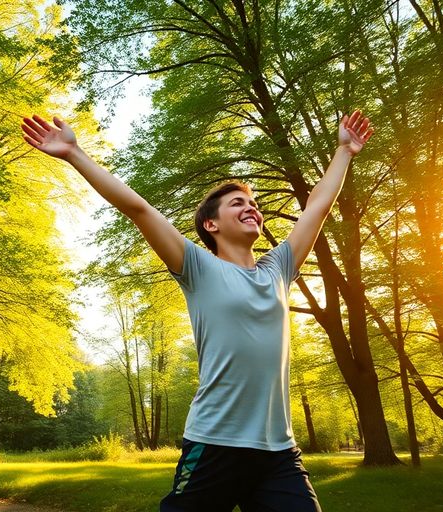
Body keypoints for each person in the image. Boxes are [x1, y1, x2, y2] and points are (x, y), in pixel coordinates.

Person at [21, 110, 373, 512]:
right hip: (215, 444)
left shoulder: (278, 268)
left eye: (254, 203)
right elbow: (139, 210)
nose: (252, 208)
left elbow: (317, 207)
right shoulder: (198, 267)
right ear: (211, 225)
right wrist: (74, 153)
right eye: (238, 203)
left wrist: (344, 151)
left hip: (278, 451)